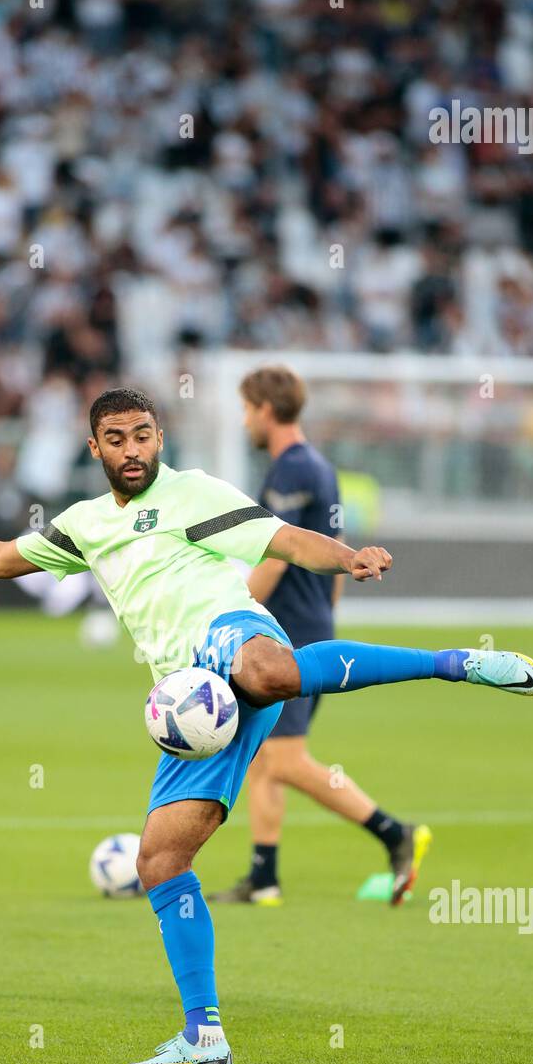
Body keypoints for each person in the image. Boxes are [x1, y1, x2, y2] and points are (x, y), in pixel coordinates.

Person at [0, 386, 533, 1064]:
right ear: (96, 447)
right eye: (116, 439)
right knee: (160, 862)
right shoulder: (85, 523)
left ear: (159, 440)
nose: (132, 449)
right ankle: (203, 1036)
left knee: (270, 673)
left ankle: (455, 663)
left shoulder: (193, 493)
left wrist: (347, 556)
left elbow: (286, 539)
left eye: (143, 435)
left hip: (228, 633)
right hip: (187, 702)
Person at [211, 365, 430, 907]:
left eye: (245, 410)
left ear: (264, 408)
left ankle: (392, 832)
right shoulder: (319, 468)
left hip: (288, 633)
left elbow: (276, 559)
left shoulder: (288, 472)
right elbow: (334, 551)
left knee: (284, 760)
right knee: (264, 757)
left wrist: (228, 613)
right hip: (309, 622)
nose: (244, 422)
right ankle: (264, 879)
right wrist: (322, 619)